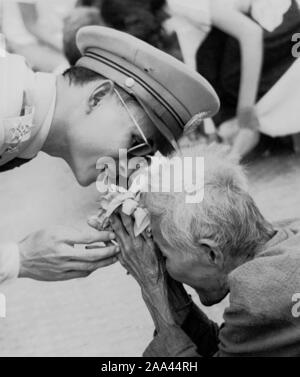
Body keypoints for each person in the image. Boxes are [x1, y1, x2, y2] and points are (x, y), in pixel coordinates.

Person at [0, 26, 219, 285]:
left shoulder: (20, 113)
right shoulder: (7, 110)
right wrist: (19, 258)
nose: (127, 165)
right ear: (99, 96)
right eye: (135, 141)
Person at [99, 144, 300, 357]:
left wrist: (152, 286)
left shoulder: (260, 295)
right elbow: (231, 349)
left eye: (165, 255)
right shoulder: (287, 241)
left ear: (212, 253)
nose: (163, 264)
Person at [195, 0, 300, 158]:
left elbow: (251, 34)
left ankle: (244, 129)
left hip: (284, 30)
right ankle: (241, 130)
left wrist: (245, 116)